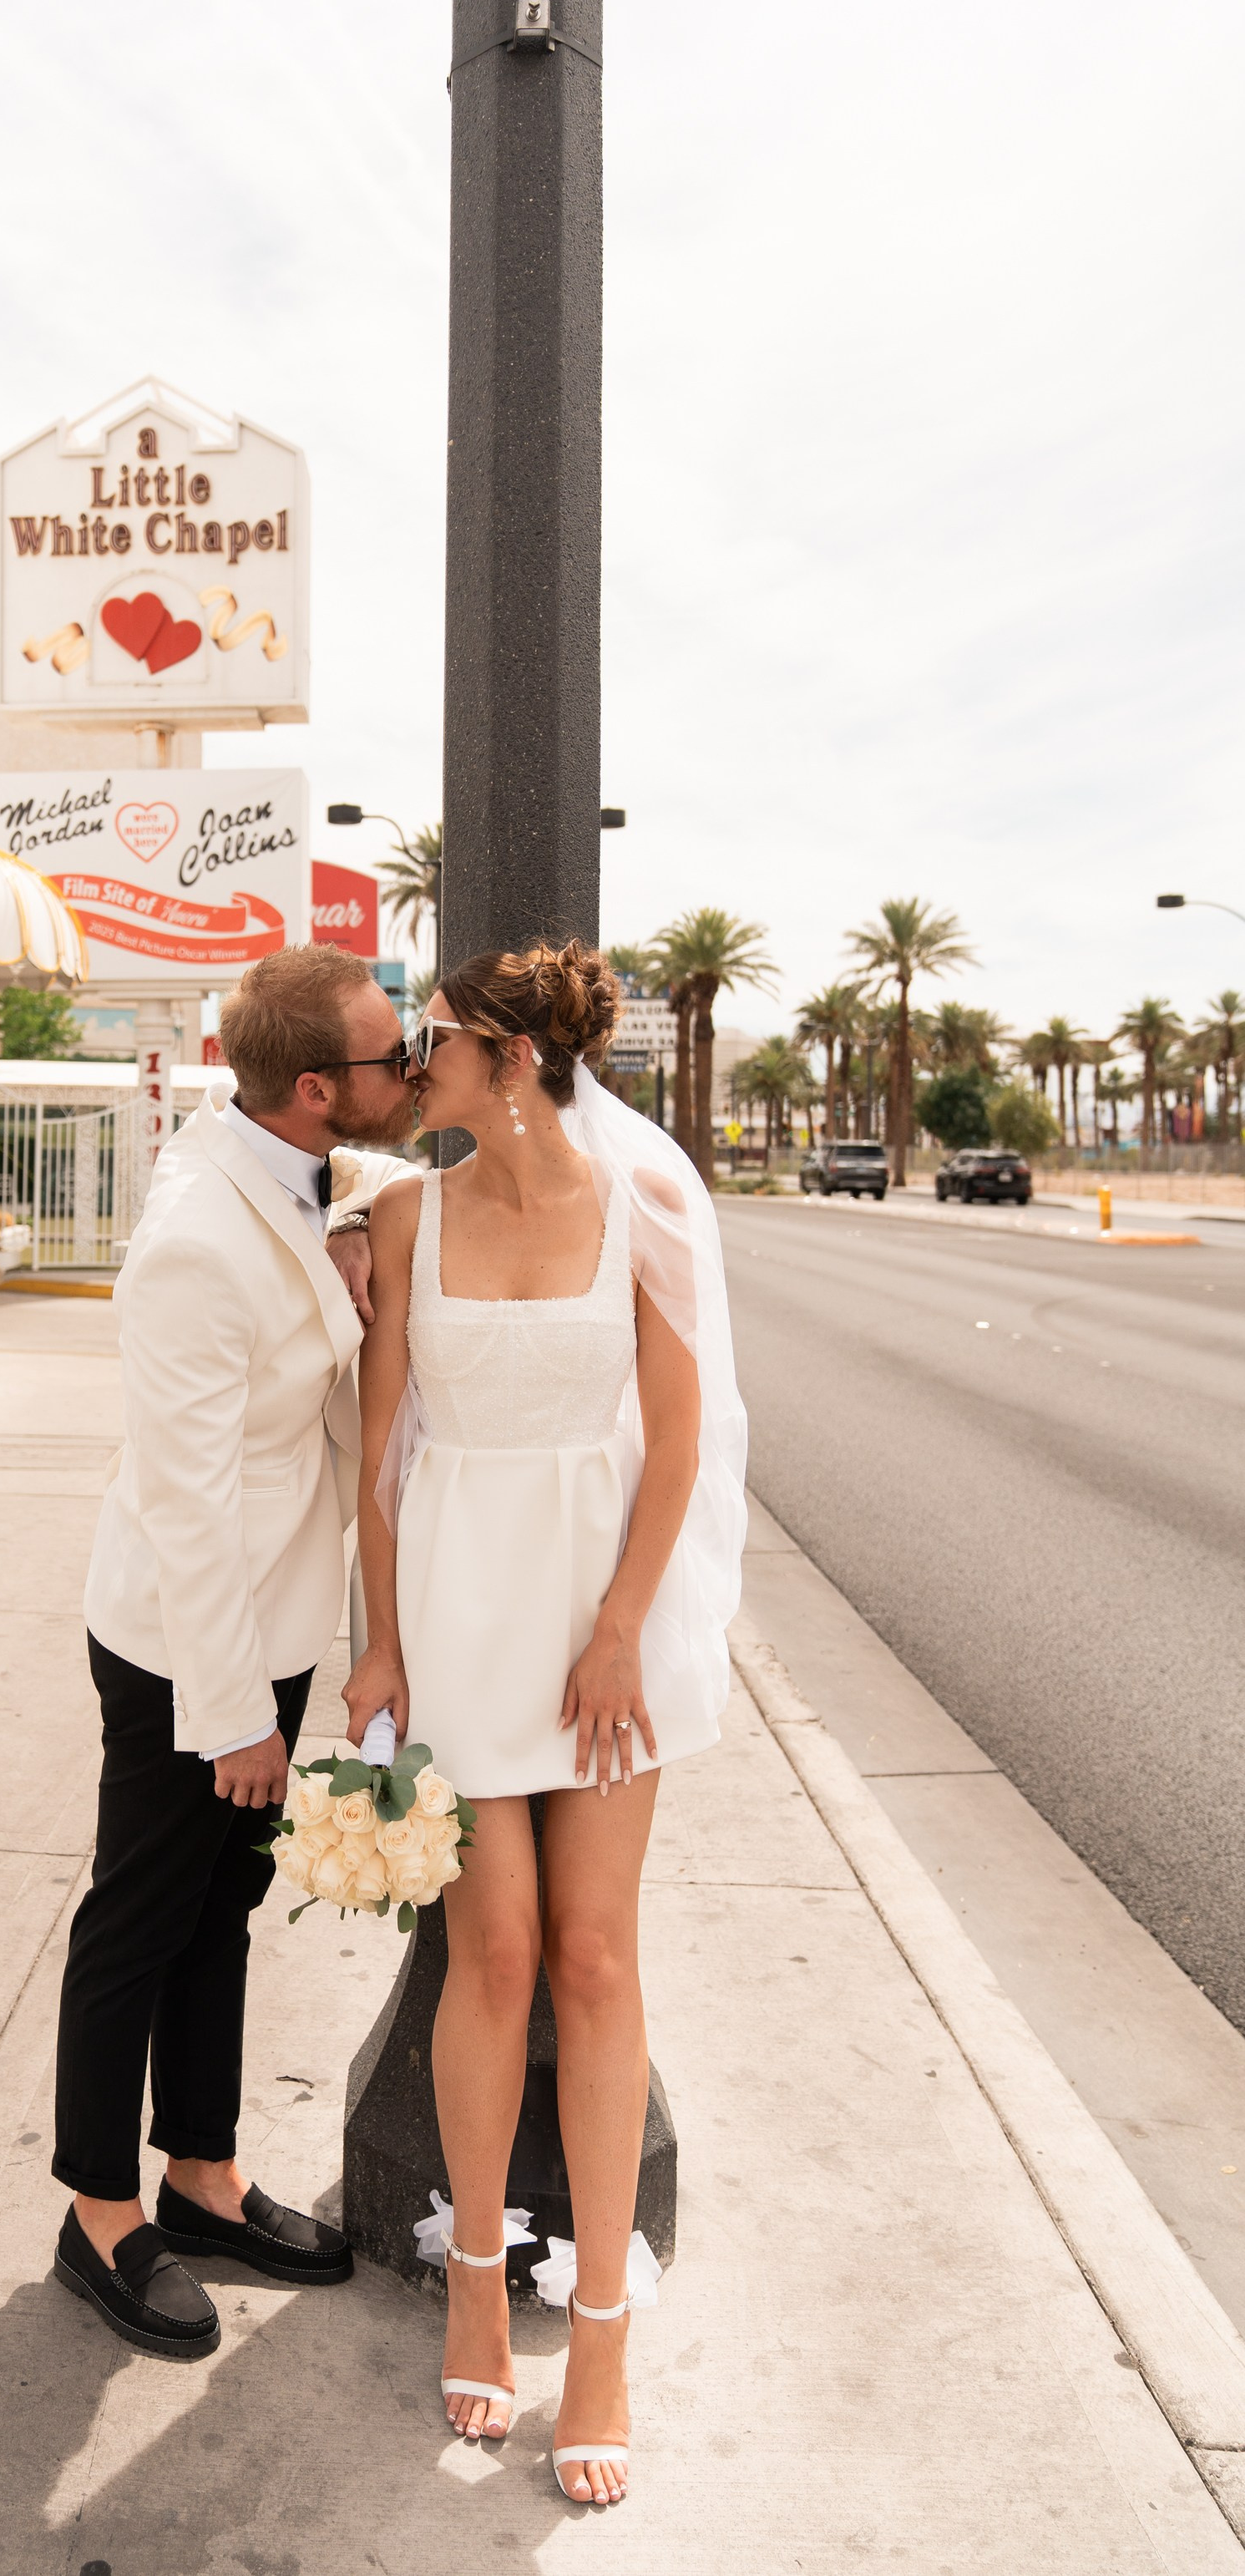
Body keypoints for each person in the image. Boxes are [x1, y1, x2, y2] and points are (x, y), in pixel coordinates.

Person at [344, 939, 746, 2506]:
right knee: (492, 1957)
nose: (411, 1064)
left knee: (592, 1958)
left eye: (433, 1038)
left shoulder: (643, 1210)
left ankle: (598, 2329)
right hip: (455, 1619)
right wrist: (380, 1651)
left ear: (511, 1059)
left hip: (599, 1633)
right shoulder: (396, 1214)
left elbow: (680, 1439)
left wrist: (627, 1628)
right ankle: (470, 2281)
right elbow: (378, 1456)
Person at [52, 943, 418, 2359]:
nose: (409, 1070)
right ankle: (97, 2214)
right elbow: (189, 1508)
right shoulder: (197, 1241)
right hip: (178, 1653)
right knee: (138, 1922)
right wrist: (233, 1722)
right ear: (318, 1089)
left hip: (263, 1636)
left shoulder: (289, 1168)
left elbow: (335, 1214)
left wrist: (358, 1228)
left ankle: (198, 2176)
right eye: (392, 1056)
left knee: (221, 1914)